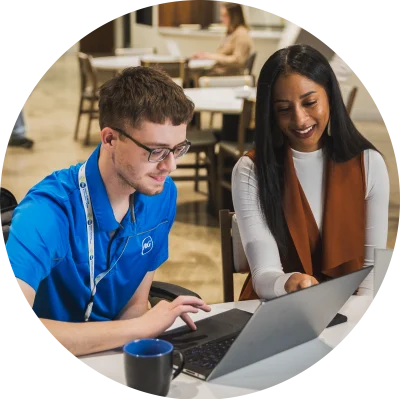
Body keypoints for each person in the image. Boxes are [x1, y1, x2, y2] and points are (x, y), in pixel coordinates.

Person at [5, 66, 211, 357]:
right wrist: (141, 328)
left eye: (178, 149)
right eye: (156, 151)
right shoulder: (48, 211)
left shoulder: (161, 194)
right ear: (110, 139)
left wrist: (141, 339)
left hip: (113, 357)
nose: (170, 166)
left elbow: (135, 304)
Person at [231, 44, 390, 301]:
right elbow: (264, 275)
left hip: (351, 305)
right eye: (284, 109)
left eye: (310, 102)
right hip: (276, 307)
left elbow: (373, 273)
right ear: (270, 113)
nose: (300, 119)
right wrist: (289, 282)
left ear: (330, 95)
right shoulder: (251, 171)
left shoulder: (369, 164)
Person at [192, 2, 254, 76]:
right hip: (222, 71)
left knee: (194, 75)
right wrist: (206, 55)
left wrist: (211, 57)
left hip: (229, 75)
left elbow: (238, 60)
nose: (221, 19)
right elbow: (223, 54)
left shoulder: (241, 34)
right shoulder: (231, 32)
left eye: (225, 15)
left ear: (234, 16)